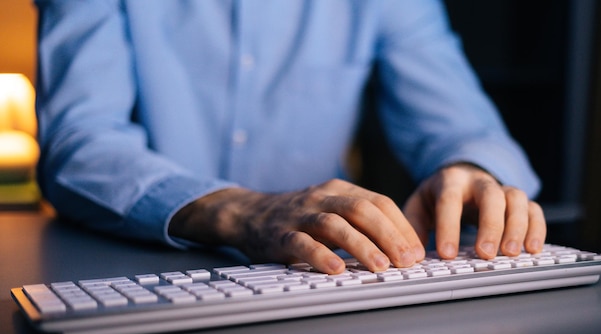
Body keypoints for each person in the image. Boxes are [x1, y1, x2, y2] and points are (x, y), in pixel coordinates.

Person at [34, 0, 546, 274]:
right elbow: (79, 143)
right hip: (132, 276)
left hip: (321, 282)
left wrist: (470, 171)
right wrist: (238, 209)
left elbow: (464, 127)